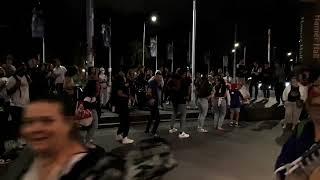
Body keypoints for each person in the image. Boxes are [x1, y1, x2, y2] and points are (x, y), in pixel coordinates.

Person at [274, 65, 320, 180]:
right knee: (289, 116)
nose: (317, 99)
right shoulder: (303, 128)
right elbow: (282, 162)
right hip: (290, 105)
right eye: (313, 95)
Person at [6, 63, 31, 145]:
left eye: (25, 69)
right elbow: (8, 92)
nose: (24, 71)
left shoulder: (25, 77)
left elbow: (30, 83)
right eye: (23, 69)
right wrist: (16, 86)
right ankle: (15, 141)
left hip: (25, 104)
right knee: (16, 124)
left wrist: (27, 76)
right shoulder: (11, 79)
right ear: (18, 69)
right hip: (16, 105)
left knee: (24, 123)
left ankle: (22, 139)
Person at [168, 68, 190, 139]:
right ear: (183, 74)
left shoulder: (172, 79)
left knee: (174, 112)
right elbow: (185, 90)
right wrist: (186, 97)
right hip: (181, 99)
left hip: (174, 99)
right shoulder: (182, 80)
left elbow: (168, 86)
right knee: (183, 115)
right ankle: (181, 132)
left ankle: (171, 128)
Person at [113, 73, 134, 144]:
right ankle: (125, 138)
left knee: (122, 121)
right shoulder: (121, 84)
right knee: (126, 121)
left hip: (120, 105)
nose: (125, 77)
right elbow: (120, 93)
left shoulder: (118, 84)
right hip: (123, 105)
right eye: (124, 76)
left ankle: (118, 135)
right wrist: (128, 96)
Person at [145, 70, 162, 137]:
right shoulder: (152, 83)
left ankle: (147, 130)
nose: (160, 79)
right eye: (159, 77)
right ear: (156, 77)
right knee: (158, 118)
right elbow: (148, 92)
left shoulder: (157, 83)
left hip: (155, 102)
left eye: (160, 78)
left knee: (151, 116)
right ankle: (153, 131)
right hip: (153, 102)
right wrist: (151, 99)